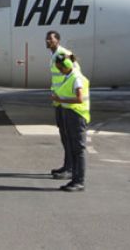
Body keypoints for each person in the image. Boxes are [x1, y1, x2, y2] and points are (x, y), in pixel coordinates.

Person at [51, 53, 90, 192]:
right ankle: (75, 179)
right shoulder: (69, 76)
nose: (59, 70)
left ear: (65, 66)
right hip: (71, 114)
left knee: (78, 150)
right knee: (74, 149)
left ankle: (79, 181)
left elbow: (79, 99)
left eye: (60, 68)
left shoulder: (76, 78)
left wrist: (60, 99)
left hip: (77, 115)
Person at [46, 30, 79, 180]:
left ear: (58, 41)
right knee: (63, 135)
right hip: (59, 100)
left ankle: (71, 168)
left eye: (51, 39)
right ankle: (67, 165)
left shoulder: (64, 53)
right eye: (47, 39)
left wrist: (68, 92)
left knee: (68, 135)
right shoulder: (53, 55)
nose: (48, 41)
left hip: (65, 100)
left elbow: (75, 68)